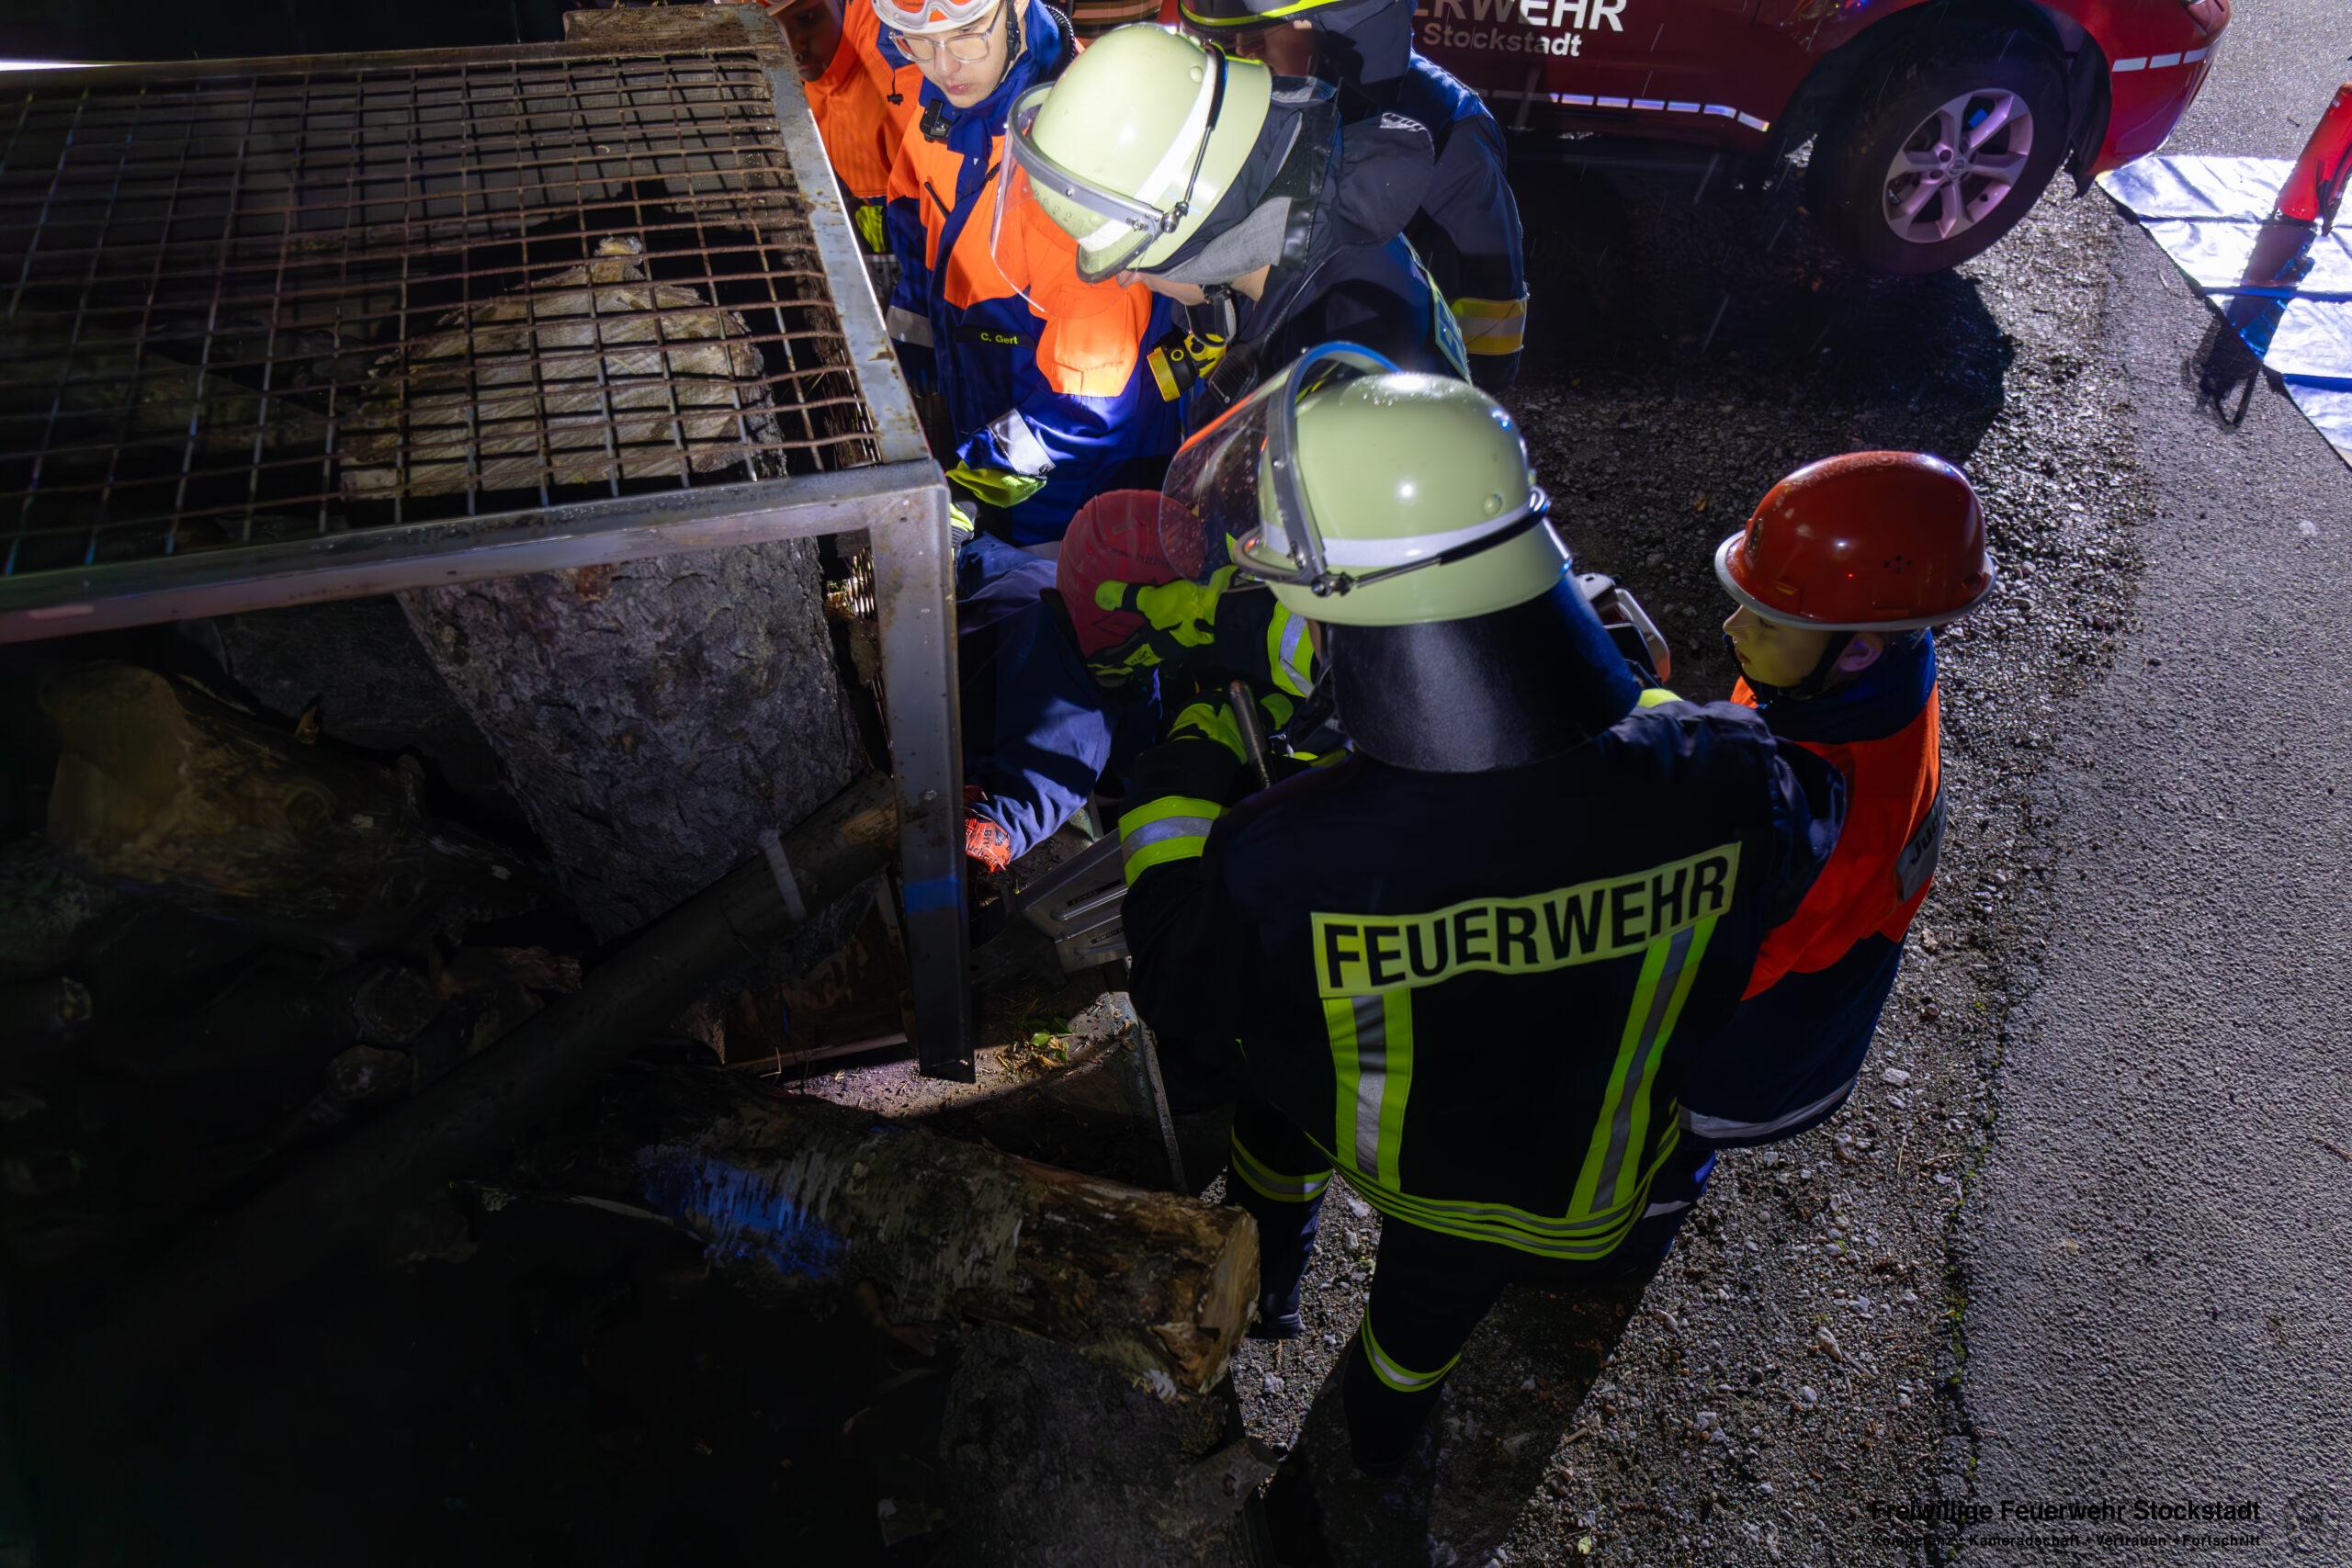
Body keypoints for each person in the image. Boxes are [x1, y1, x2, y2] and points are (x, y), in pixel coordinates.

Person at [1115, 344, 1847, 1475]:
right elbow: (1777, 840)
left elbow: (1177, 985)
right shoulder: (1739, 772)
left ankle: (1273, 1296)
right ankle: (1377, 1457)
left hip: (1382, 1137)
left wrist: (1174, 785)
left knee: (1275, 1097)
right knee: (1420, 1335)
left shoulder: (1294, 852)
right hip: (1565, 1181)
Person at [1660, 452, 1996, 1179]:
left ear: (1859, 651)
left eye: (1767, 621)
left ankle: (1643, 1222)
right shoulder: (1875, 677)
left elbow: (1733, 969)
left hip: (1754, 1038)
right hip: (1815, 974)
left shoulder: (1836, 818)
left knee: (1665, 1156)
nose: (1732, 627)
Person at [998, 25, 1468, 433]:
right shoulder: (1328, 229)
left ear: (1198, 237)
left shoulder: (1339, 390)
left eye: (1133, 260)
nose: (1125, 278)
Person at [875, 0, 1184, 548]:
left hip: (1078, 489)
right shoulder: (940, 109)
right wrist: (910, 366)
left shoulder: (1087, 159)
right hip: (985, 410)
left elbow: (1089, 402)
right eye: (916, 41)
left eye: (968, 33)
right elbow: (911, 220)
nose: (943, 65)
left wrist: (969, 489)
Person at [959, 487, 1322, 872]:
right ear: (1119, 606)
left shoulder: (1036, 575)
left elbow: (969, 551)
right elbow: (997, 832)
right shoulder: (1077, 736)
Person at [1175, 0, 1531, 389]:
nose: (1241, 52)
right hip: (1245, 394)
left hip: (1366, 404)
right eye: (1226, 39)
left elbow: (1489, 338)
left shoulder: (1450, 138)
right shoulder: (1249, 108)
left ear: (1337, 27)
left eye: (1256, 34)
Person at [759, 0, 924, 256]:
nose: (794, 47)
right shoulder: (799, 79)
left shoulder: (901, 54)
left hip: (923, 223)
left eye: (807, 18)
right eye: (773, 29)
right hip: (886, 223)